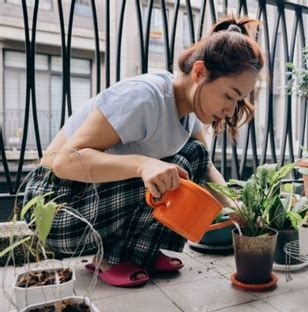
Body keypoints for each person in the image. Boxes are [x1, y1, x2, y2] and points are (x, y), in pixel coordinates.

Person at [23, 16, 264, 287]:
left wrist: (235, 206)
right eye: (230, 96)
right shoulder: (145, 96)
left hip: (94, 200)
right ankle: (110, 259)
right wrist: (143, 165)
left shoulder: (190, 112)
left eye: (239, 100)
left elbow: (205, 167)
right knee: (162, 173)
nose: (232, 110)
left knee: (194, 155)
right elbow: (64, 163)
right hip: (56, 209)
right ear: (199, 72)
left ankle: (142, 254)